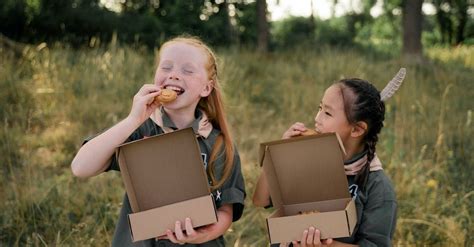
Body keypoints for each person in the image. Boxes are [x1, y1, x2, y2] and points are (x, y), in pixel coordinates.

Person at [71, 36, 246, 247]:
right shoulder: (141, 128)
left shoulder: (219, 144)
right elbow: (80, 167)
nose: (174, 75)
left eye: (187, 70)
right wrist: (133, 119)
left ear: (206, 89)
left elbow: (226, 210)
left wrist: (203, 235)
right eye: (166, 67)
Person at [253, 69, 406, 247]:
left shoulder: (377, 187)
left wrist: (326, 244)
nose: (316, 118)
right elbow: (260, 200)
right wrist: (278, 154)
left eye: (327, 113)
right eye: (320, 108)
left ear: (356, 129)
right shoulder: (305, 159)